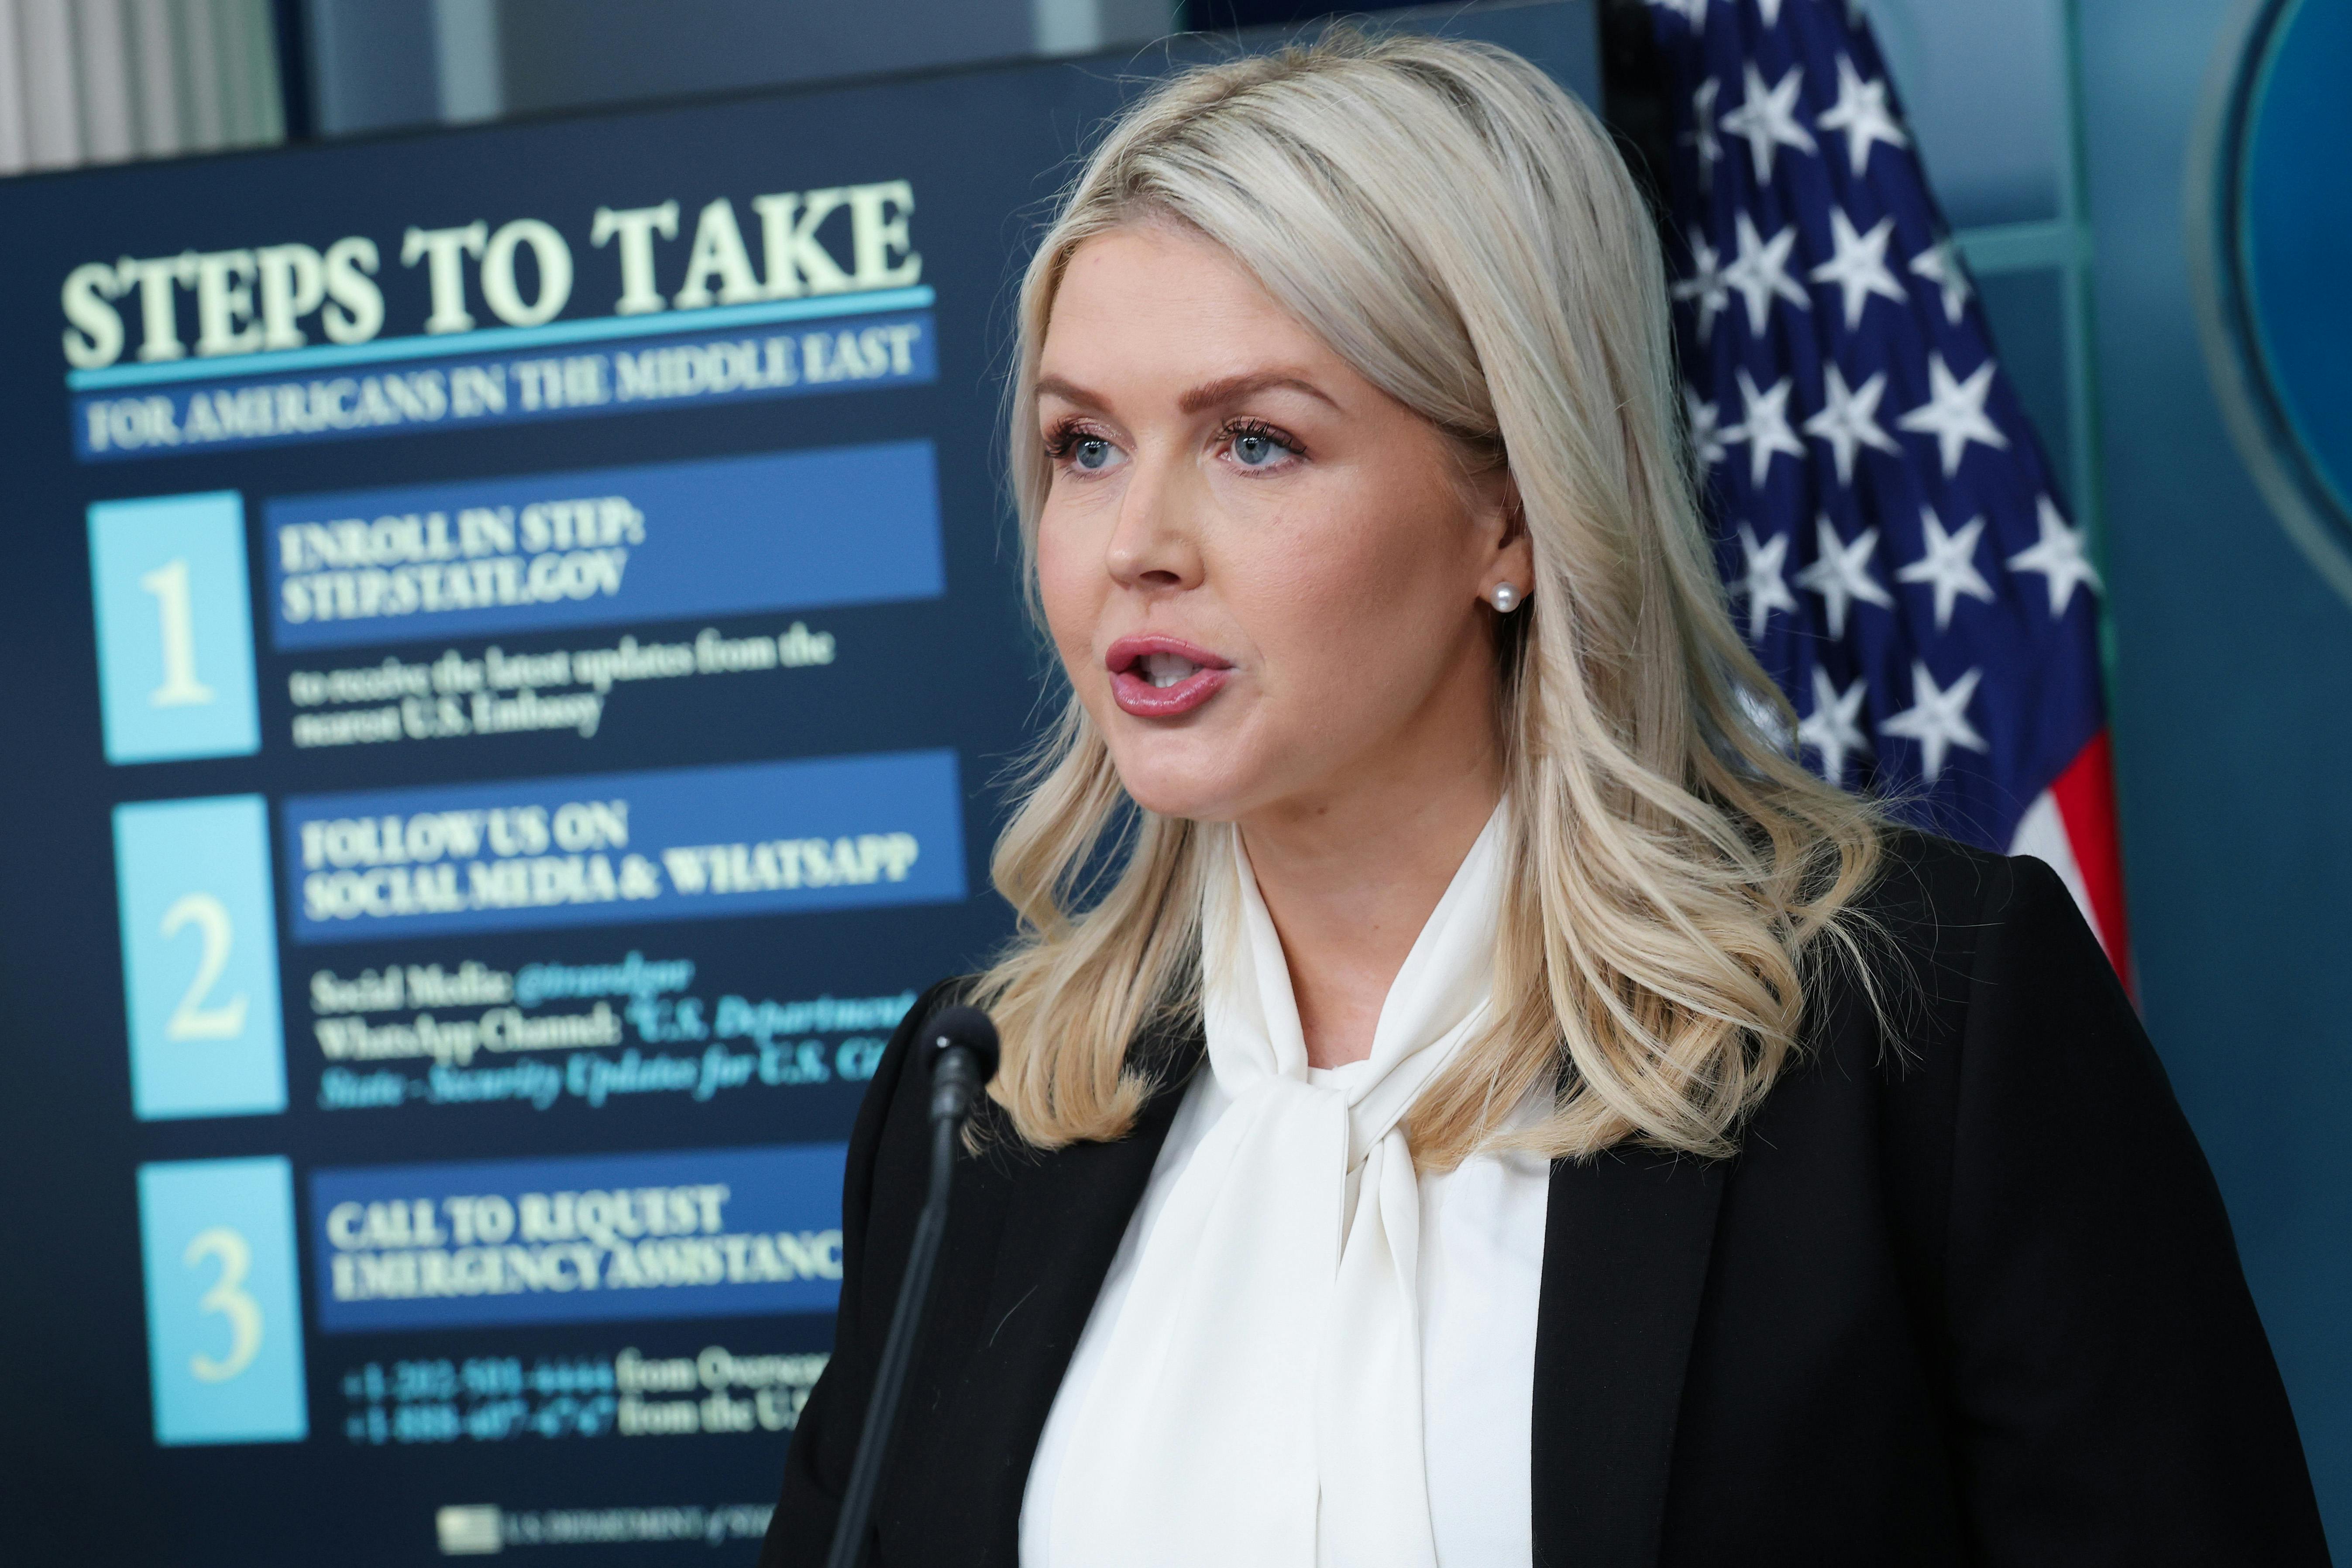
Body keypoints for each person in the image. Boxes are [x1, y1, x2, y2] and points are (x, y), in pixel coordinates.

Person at [762, 29, 2328, 1568]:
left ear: (1509, 512)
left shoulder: (1918, 1025)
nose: (1133, 547)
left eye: (1253, 442)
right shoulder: (977, 1099)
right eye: (1084, 446)